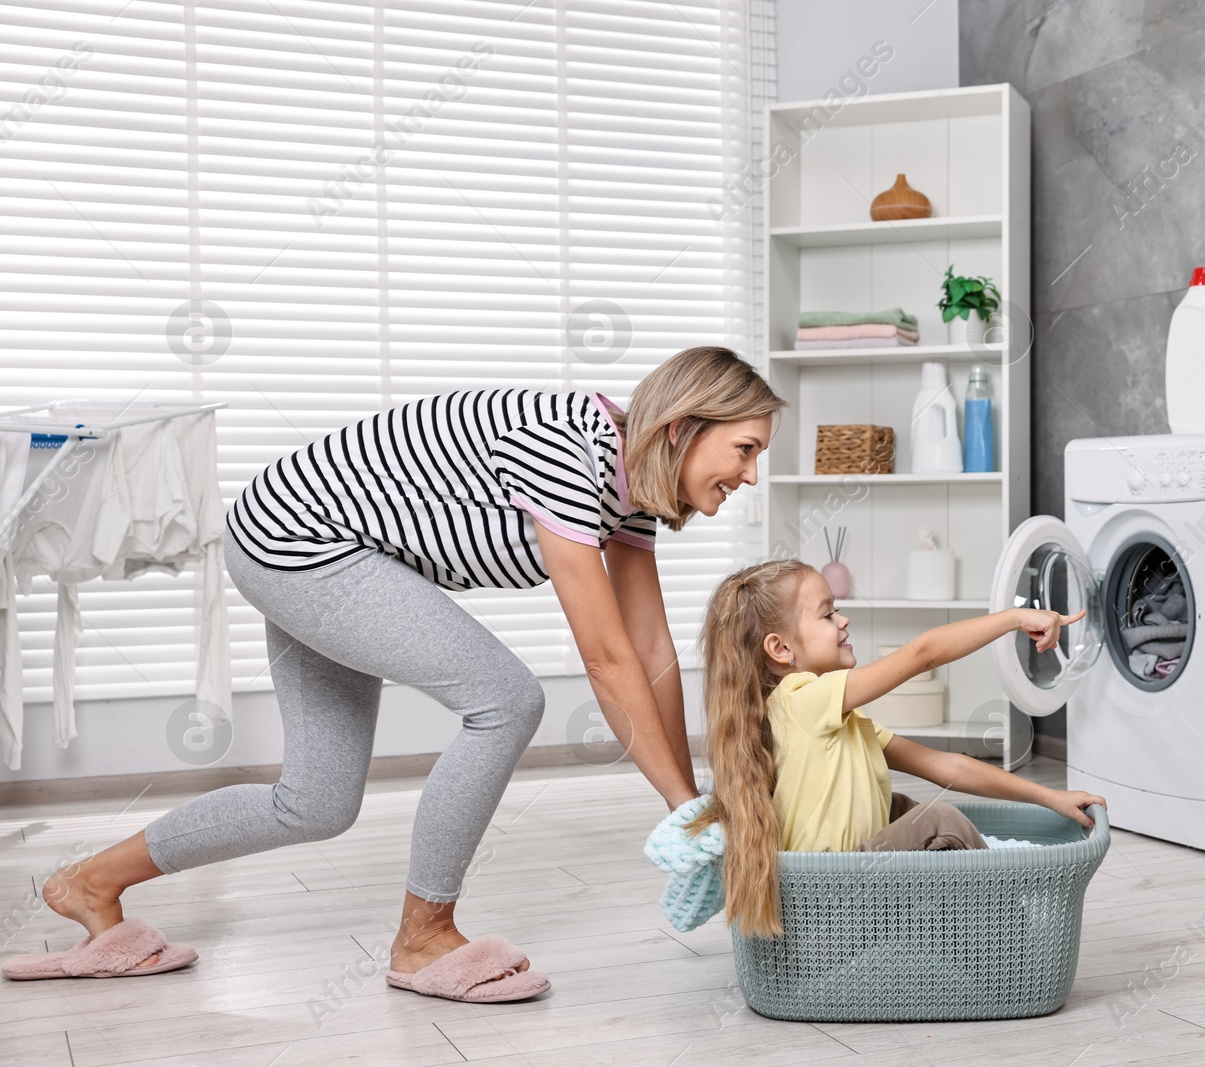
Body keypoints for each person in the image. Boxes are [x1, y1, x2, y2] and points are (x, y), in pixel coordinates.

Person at [2, 347, 784, 1001]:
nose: (751, 473)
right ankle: (424, 936)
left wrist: (698, 802)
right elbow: (607, 658)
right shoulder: (570, 449)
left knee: (313, 801)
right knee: (507, 699)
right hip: (301, 539)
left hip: (317, 540)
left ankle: (88, 883)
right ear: (683, 428)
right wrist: (687, 809)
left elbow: (648, 655)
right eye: (744, 449)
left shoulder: (629, 495)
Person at [692, 559, 1106, 937]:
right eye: (828, 613)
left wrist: (1051, 797)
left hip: (843, 890)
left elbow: (950, 769)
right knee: (938, 819)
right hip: (829, 899)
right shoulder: (799, 698)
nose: (843, 620)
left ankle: (950, 930)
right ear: (780, 649)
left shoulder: (835, 723)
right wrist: (1015, 618)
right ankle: (1009, 949)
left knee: (901, 806)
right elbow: (923, 654)